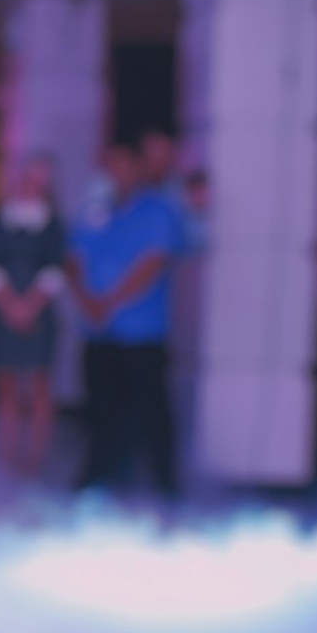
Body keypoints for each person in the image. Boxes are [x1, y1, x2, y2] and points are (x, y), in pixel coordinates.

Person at [68, 143, 188, 499]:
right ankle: (99, 475)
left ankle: (164, 483)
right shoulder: (94, 209)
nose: (117, 174)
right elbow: (74, 257)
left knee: (152, 411)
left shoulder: (159, 210)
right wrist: (88, 301)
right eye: (111, 166)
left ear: (138, 168)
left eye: (124, 165)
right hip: (99, 331)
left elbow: (153, 262)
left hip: (141, 332)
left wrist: (111, 301)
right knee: (101, 409)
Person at [0, 153, 68, 479]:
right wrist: (8, 305)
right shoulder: (1, 217)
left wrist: (29, 306)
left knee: (40, 384)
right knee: (6, 384)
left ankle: (35, 459)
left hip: (39, 309)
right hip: (5, 306)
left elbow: (55, 268)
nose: (33, 183)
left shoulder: (53, 222)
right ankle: (8, 456)